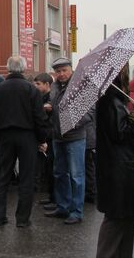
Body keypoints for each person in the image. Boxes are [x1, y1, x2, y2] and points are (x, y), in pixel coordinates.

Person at [95, 64, 134, 258]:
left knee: (125, 220)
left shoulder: (115, 97)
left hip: (120, 167)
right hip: (119, 170)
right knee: (116, 219)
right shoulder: (110, 99)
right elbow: (121, 133)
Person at [0, 57, 49, 227]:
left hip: (5, 135)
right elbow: (39, 117)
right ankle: (22, 219)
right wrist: (42, 138)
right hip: (27, 136)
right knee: (26, 177)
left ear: (8, 68)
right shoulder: (31, 89)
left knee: (3, 175)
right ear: (24, 69)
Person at [46, 57, 94, 225]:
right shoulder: (55, 87)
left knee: (76, 176)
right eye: (58, 71)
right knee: (59, 173)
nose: (61, 74)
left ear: (71, 70)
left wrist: (72, 121)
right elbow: (54, 106)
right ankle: (63, 206)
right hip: (57, 136)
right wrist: (49, 108)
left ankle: (76, 211)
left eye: (64, 70)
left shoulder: (81, 86)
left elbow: (90, 113)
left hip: (75, 137)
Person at [33, 72, 55, 207]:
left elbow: (48, 118)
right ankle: (50, 195)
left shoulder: (51, 97)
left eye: (38, 84)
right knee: (44, 166)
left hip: (49, 135)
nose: (35, 86)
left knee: (51, 167)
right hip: (43, 135)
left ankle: (53, 196)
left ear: (47, 84)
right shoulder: (39, 97)